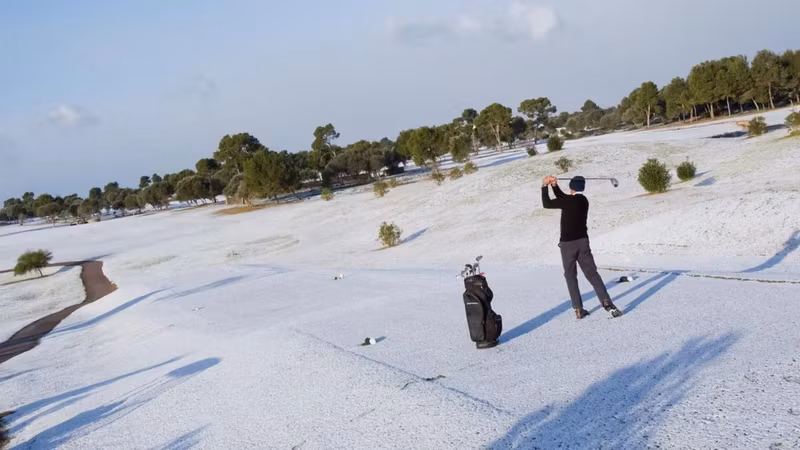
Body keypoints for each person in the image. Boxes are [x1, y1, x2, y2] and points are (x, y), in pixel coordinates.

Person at [541, 175, 623, 319]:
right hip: (583, 243)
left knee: (570, 276)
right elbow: (563, 197)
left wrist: (544, 185)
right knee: (592, 274)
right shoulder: (583, 200)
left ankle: (578, 309)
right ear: (582, 188)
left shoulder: (567, 201)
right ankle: (607, 303)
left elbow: (547, 203)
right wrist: (554, 185)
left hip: (567, 245)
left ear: (571, 187)